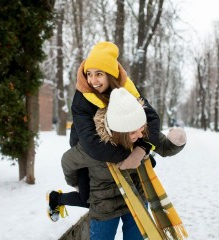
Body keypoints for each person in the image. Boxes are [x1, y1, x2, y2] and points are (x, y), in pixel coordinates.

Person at [47, 42, 186, 227]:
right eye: (89, 74)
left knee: (141, 170)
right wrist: (129, 156)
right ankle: (56, 199)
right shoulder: (82, 98)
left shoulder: (126, 89)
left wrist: (142, 149)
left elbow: (149, 117)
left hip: (122, 142)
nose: (93, 80)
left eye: (99, 74)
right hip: (89, 150)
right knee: (88, 198)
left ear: (110, 75)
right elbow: (91, 143)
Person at [60, 88, 186, 240]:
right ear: (118, 131)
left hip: (136, 198)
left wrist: (176, 141)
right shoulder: (93, 147)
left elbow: (164, 146)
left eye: (141, 129)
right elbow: (67, 162)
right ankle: (56, 199)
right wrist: (76, 183)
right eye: (133, 132)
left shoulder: (139, 133)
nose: (139, 135)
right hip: (104, 205)